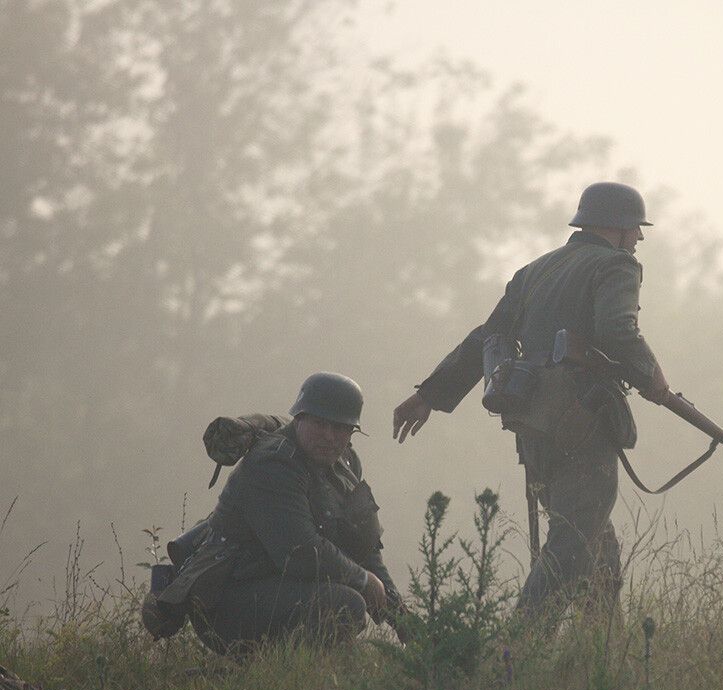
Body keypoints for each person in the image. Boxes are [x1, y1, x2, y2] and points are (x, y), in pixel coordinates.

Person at [393, 182, 671, 623]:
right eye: (636, 228)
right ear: (616, 227)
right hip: (581, 421)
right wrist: (652, 377)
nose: (638, 239)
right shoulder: (617, 265)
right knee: (574, 542)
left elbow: (487, 336)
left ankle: (599, 655)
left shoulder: (534, 270)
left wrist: (429, 394)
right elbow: (619, 331)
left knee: (596, 547)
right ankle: (517, 649)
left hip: (532, 425)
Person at [157, 372, 409, 655]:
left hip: (284, 588)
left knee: (353, 607)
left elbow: (365, 547)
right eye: (319, 423)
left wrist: (403, 620)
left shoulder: (345, 463)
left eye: (340, 427)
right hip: (230, 602)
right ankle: (285, 677)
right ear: (300, 418)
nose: (329, 435)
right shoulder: (273, 464)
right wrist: (362, 580)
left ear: (352, 432)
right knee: (345, 605)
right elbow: (300, 552)